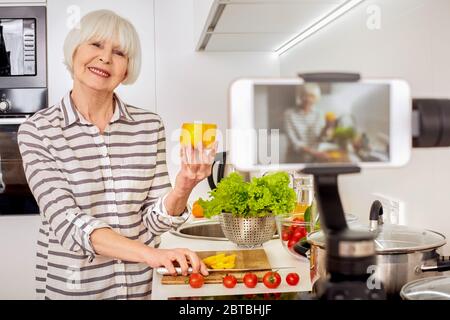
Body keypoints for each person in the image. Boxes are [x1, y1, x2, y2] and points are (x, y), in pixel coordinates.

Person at [17, 10, 215, 300]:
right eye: (96, 45)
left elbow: (153, 220)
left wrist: (184, 186)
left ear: (127, 69)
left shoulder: (149, 126)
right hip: (75, 292)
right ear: (74, 51)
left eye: (119, 52)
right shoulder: (38, 130)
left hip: (137, 290)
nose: (106, 58)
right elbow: (68, 223)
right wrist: (151, 255)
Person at [283, 83, 330, 162]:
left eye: (312, 96)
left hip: (314, 159)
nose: (308, 99)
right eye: (305, 95)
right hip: (295, 159)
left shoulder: (319, 114)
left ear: (316, 98)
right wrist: (315, 153)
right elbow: (294, 142)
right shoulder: (289, 114)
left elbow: (320, 138)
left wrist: (327, 127)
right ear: (300, 96)